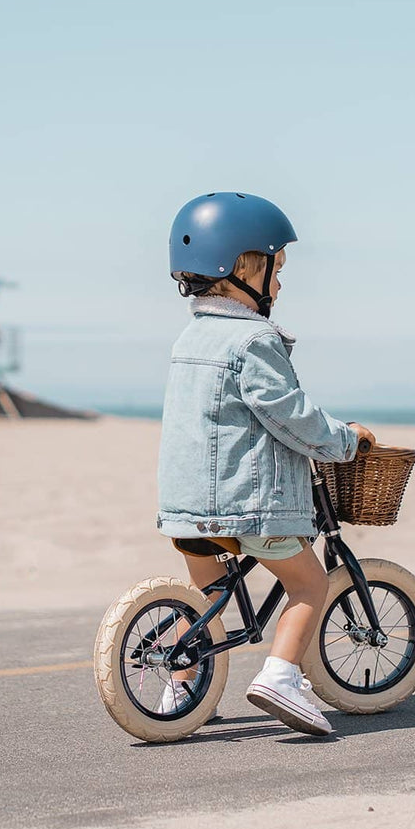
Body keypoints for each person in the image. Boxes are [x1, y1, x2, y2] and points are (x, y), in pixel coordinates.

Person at [156, 192, 375, 736]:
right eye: (275, 270)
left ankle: (180, 683)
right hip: (250, 508)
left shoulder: (189, 340)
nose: (278, 284)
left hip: (185, 511)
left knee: (208, 601)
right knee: (309, 584)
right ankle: (280, 676)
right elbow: (291, 416)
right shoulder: (254, 339)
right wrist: (345, 441)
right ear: (242, 267)